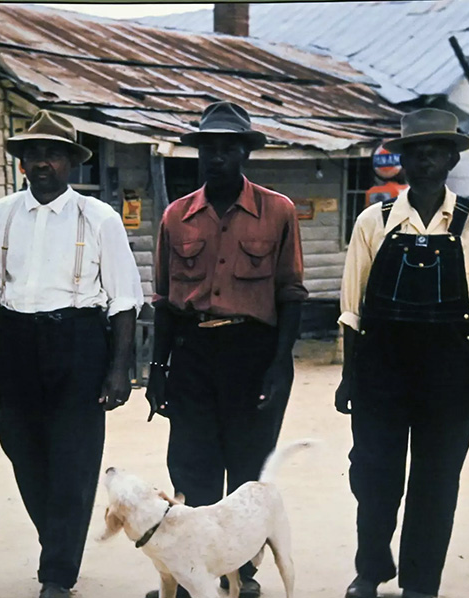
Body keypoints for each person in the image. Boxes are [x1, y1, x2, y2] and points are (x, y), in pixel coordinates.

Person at [335, 108, 469, 598]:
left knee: (436, 483)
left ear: (452, 158)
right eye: (415, 151)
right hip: (381, 366)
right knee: (374, 476)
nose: (424, 160)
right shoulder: (376, 219)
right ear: (402, 159)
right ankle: (370, 570)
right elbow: (352, 307)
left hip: (449, 370)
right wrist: (350, 376)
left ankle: (421, 583)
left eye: (435, 151)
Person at [0, 110, 143, 598]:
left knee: (74, 458)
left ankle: (57, 574)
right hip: (16, 342)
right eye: (32, 154)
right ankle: (59, 542)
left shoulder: (99, 218)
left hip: (79, 340)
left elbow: (124, 299)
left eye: (52, 153)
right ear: (22, 162)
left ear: (70, 162)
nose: (41, 162)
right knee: (22, 450)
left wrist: (119, 370)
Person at [146, 100, 307, 598]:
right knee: (191, 465)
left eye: (227, 148)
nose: (216, 157)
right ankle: (199, 572)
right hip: (193, 352)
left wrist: (281, 365)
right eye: (207, 148)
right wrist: (157, 368)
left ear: (244, 154)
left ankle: (244, 575)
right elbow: (166, 301)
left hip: (253, 353)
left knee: (247, 467)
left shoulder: (277, 211)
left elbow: (291, 293)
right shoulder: (177, 216)